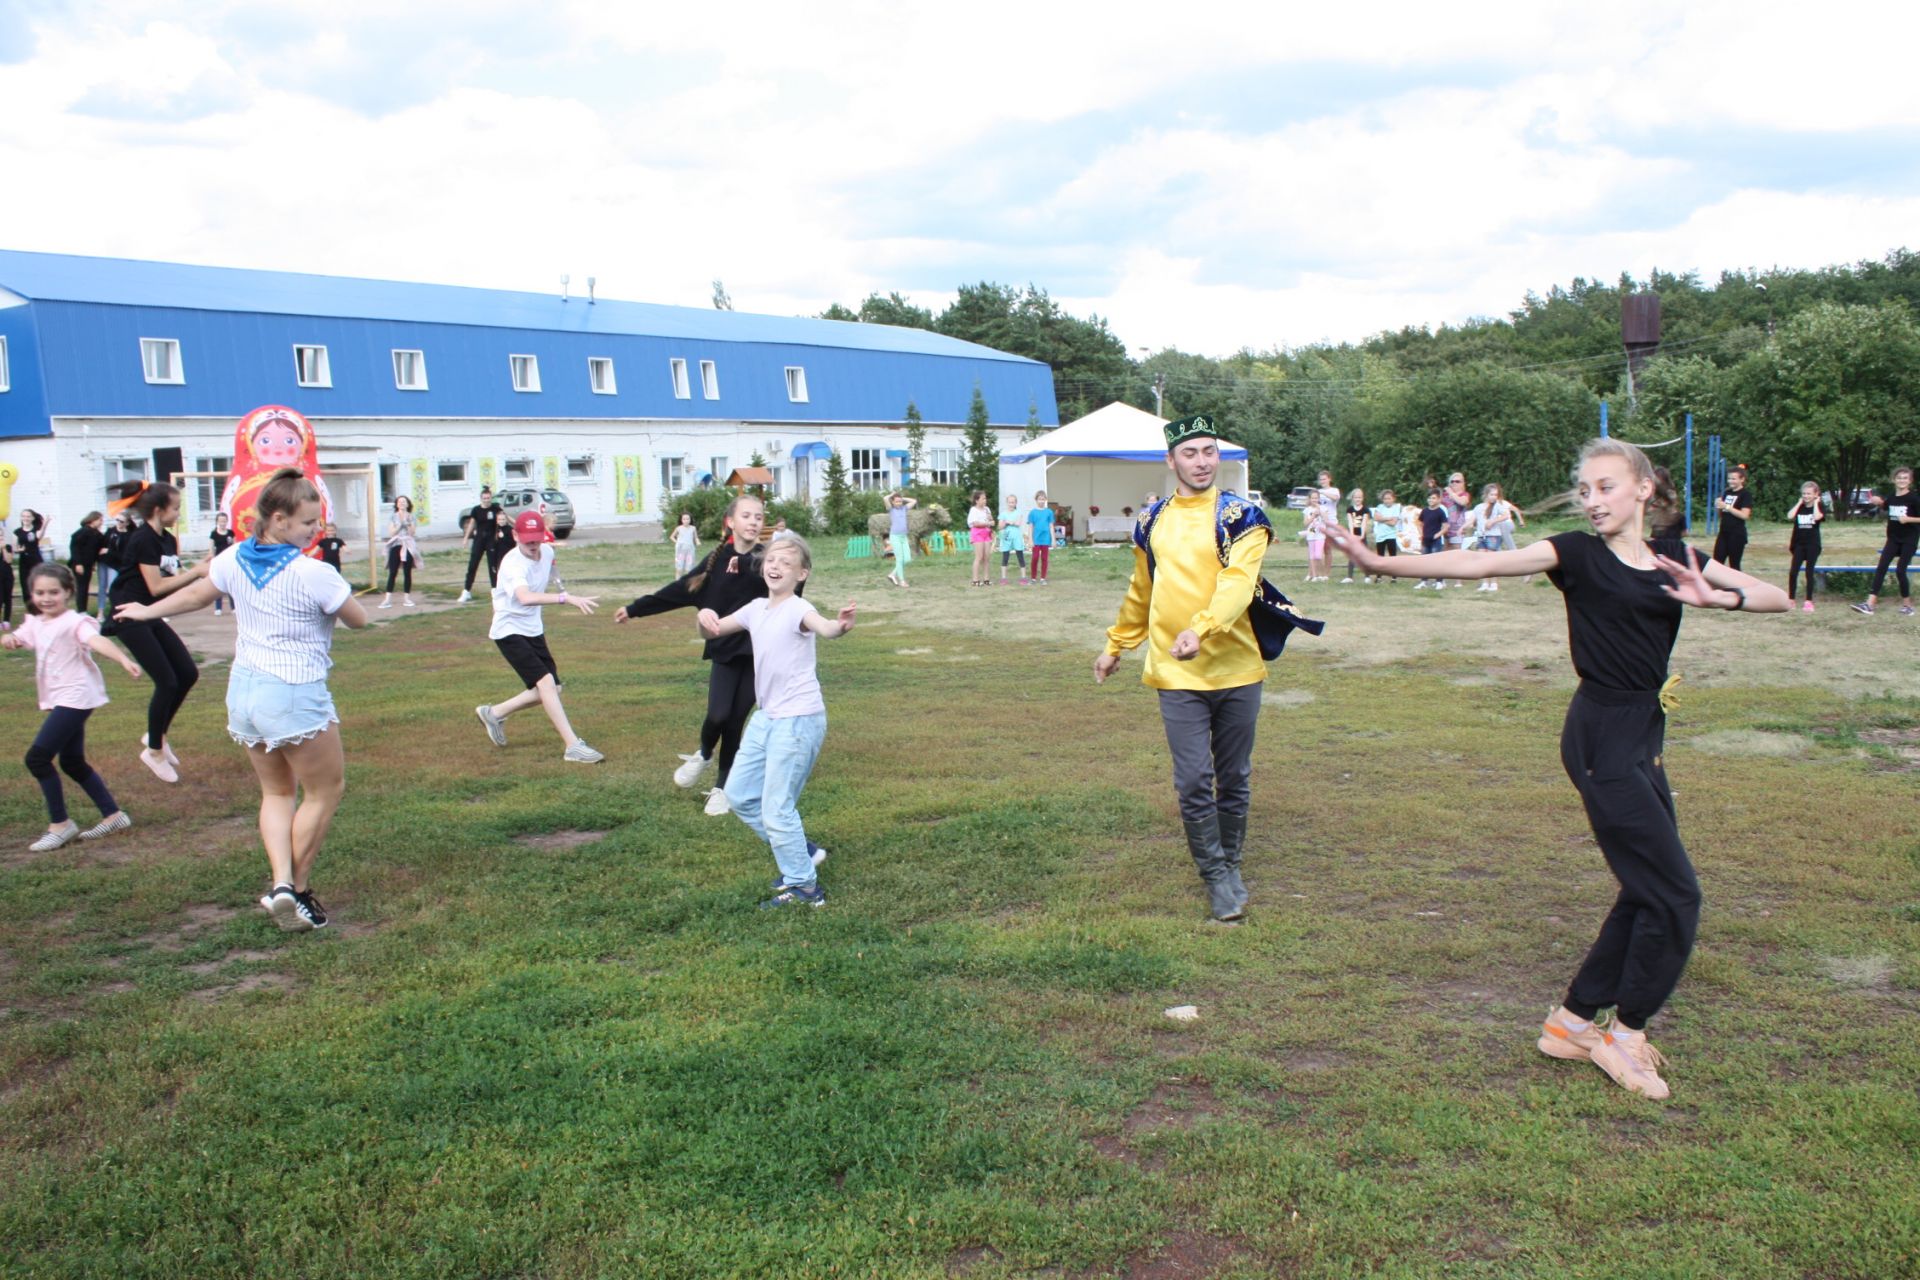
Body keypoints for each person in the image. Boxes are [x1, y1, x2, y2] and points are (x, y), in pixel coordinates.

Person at [1325, 438, 1789, 1099]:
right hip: (1600, 737)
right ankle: (1624, 1036)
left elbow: (1773, 595)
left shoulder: (1674, 558)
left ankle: (1572, 1022)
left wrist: (1719, 600)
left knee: (1646, 885)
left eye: (1605, 487)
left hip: (1643, 733)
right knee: (1677, 895)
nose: (1593, 500)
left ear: (1643, 491)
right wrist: (1381, 562)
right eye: (1586, 489)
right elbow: (1478, 560)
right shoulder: (1575, 552)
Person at [117, 469, 370, 931]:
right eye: (308, 522)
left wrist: (146, 610)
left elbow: (196, 594)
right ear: (277, 520)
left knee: (276, 792)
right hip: (293, 692)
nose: (316, 530)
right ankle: (298, 890)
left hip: (245, 694)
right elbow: (358, 620)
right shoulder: (314, 572)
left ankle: (280, 885)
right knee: (324, 790)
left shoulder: (235, 557)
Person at [1096, 414, 1274, 926]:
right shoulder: (1151, 521)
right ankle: (1215, 875)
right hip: (1175, 673)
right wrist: (1117, 646)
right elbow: (1142, 591)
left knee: (1234, 775)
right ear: (1170, 460)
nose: (1201, 462)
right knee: (1195, 777)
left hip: (1237, 667)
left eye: (1209, 452)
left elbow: (1239, 583)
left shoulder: (1244, 517)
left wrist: (1203, 628)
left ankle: (1232, 863)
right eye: (1190, 453)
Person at [699, 532, 855, 909]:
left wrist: (840, 626)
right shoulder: (756, 608)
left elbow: (824, 627)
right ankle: (803, 853)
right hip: (767, 717)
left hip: (798, 720)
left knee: (776, 807)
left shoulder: (798, 609)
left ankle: (805, 888)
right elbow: (714, 629)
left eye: (787, 563)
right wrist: (705, 619)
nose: (776, 566)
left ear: (801, 574)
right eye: (772, 559)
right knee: (738, 795)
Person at [617, 494, 770, 814]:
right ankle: (703, 753)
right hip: (725, 651)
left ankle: (722, 788)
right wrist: (634, 609)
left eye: (758, 517)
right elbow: (677, 591)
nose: (754, 522)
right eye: (747, 516)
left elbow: (789, 593)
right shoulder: (715, 562)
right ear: (730, 522)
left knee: (735, 721)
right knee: (717, 715)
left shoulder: (765, 560)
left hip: (760, 654)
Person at [4, 563, 141, 851]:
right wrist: (10, 639)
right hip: (58, 699)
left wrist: (122, 659)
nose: (46, 598)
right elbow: (21, 637)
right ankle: (114, 815)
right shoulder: (35, 622)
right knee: (71, 761)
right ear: (31, 593)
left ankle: (60, 825)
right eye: (40, 592)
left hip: (76, 697)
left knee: (37, 759)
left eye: (54, 592)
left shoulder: (76, 621)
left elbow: (96, 640)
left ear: (68, 592)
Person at [474, 511, 605, 764]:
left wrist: (562, 588)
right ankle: (572, 746)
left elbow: (552, 568)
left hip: (533, 627)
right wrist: (565, 598)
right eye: (527, 541)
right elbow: (524, 597)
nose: (534, 546)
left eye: (537, 539)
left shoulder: (547, 552)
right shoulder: (512, 564)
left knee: (553, 688)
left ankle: (494, 713)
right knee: (546, 684)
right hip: (508, 629)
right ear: (515, 536)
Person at [106, 482, 208, 783]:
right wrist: (195, 574)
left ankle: (157, 735)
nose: (178, 513)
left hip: (151, 613)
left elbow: (170, 579)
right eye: (175, 508)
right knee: (166, 681)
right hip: (129, 615)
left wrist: (196, 573)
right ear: (158, 510)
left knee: (187, 674)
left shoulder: (165, 540)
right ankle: (153, 750)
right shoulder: (142, 540)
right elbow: (156, 587)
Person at [1850, 465, 1917, 617]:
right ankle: (1869, 604)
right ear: (1894, 480)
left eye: (1905, 478)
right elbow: (1885, 504)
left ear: (1910, 481)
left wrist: (1908, 519)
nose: (1902, 480)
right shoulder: (1892, 497)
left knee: (1900, 570)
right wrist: (1878, 501)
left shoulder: (1913, 498)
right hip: (1893, 539)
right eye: (1899, 478)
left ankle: (1907, 606)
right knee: (1881, 568)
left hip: (1909, 540)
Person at [1785, 482, 1825, 613]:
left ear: (1815, 495)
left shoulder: (1818, 507)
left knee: (1809, 571)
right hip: (1798, 544)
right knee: (1793, 571)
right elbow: (1790, 516)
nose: (1806, 496)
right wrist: (1798, 503)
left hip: (1812, 544)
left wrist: (1816, 503)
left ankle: (1808, 600)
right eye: (1804, 493)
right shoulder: (1799, 507)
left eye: (1809, 494)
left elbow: (1817, 517)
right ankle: (1791, 599)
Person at [459, 486, 503, 603]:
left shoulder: (495, 508)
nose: (486, 500)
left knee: (492, 566)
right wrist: (466, 538)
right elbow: (471, 524)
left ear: (491, 498)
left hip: (491, 541)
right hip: (479, 540)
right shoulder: (476, 510)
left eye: (488, 498)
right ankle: (466, 591)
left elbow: (504, 519)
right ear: (481, 498)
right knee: (472, 565)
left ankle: (495, 590)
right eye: (484, 498)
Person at [379, 495, 420, 608]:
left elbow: (412, 533)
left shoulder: (411, 516)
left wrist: (407, 524)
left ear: (408, 504)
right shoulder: (393, 516)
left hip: (407, 545)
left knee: (407, 572)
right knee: (393, 572)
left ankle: (407, 598)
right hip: (396, 545)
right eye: (400, 501)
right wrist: (400, 525)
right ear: (396, 504)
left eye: (404, 501)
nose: (402, 503)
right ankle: (387, 599)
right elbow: (392, 533)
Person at [1711, 465, 1752, 571]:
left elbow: (1744, 515)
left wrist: (1727, 506)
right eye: (1729, 478)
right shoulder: (1726, 492)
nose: (1730, 481)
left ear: (1742, 479)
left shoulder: (1745, 494)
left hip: (1737, 534)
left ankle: (1736, 587)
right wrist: (1718, 506)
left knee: (1734, 565)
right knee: (1716, 562)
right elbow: (1722, 514)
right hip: (1724, 532)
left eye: (1734, 479)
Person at [68, 512, 106, 615]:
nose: (101, 522)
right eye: (100, 520)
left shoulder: (96, 533)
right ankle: (81, 611)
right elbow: (74, 547)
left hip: (88, 564)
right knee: (82, 587)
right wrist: (78, 563)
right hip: (80, 564)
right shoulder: (84, 531)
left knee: (85, 586)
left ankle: (83, 610)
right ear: (93, 520)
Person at [97, 512, 131, 621]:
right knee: (102, 586)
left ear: (127, 523)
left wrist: (109, 551)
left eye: (121, 521)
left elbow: (123, 555)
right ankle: (100, 612)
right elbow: (102, 545)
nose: (118, 523)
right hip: (103, 562)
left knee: (113, 587)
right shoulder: (110, 531)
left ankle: (116, 611)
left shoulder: (128, 536)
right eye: (117, 520)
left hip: (115, 564)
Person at [14, 508, 47, 613]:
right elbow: (15, 548)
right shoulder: (17, 532)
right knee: (25, 586)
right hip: (24, 562)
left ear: (32, 518)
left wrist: (46, 523)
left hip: (36, 561)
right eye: (23, 516)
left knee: (38, 583)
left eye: (28, 516)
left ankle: (41, 607)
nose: (25, 518)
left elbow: (40, 536)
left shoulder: (35, 530)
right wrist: (19, 550)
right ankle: (31, 609)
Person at [1414, 491, 1447, 590]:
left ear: (1438, 499)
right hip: (1425, 540)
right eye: (1429, 498)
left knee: (1436, 561)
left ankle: (1439, 582)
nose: (1431, 500)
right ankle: (1424, 581)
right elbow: (1419, 523)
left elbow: (1446, 526)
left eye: (1433, 498)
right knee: (1424, 561)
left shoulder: (1440, 512)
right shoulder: (1424, 511)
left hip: (1435, 541)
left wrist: (1437, 535)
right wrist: (1421, 534)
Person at [884, 491, 917, 588]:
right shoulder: (891, 509)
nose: (899, 503)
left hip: (903, 536)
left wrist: (903, 498)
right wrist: (891, 495)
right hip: (895, 537)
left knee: (907, 559)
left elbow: (914, 501)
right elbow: (885, 499)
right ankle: (902, 581)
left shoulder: (904, 508)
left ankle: (892, 574)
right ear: (893, 502)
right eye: (896, 502)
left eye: (900, 502)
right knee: (900, 559)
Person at [1368, 489, 1403, 577]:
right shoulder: (1379, 507)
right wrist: (1388, 518)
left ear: (1393, 499)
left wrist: (1382, 519)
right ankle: (1379, 576)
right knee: (1380, 557)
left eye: (1389, 498)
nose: (1386, 501)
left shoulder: (1396, 507)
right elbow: (1376, 518)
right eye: (1385, 499)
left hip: (1391, 535)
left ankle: (1394, 576)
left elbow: (1393, 523)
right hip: (1380, 536)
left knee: (1392, 556)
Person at [208, 511, 236, 615]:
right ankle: (218, 608)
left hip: (229, 562)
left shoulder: (230, 533)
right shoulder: (213, 534)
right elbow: (211, 548)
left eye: (224, 521)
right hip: (218, 563)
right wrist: (212, 559)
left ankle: (233, 607)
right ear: (217, 522)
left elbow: (234, 546)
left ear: (227, 521)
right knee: (218, 584)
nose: (222, 523)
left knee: (230, 585)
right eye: (220, 521)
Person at [1026, 491, 1056, 585]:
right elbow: (1030, 527)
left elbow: (1051, 526)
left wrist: (1054, 539)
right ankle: (1033, 578)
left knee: (1044, 558)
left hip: (1046, 539)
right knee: (1035, 558)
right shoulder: (1032, 513)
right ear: (1036, 500)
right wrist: (1030, 539)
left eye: (1043, 499)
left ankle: (1043, 578)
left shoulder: (1049, 512)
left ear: (1045, 500)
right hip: (1036, 539)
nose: (1041, 501)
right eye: (1039, 499)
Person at [998, 493, 1028, 584]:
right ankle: (1003, 578)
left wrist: (1007, 522)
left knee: (1020, 556)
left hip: (1017, 537)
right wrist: (1008, 522)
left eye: (1013, 502)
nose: (1011, 504)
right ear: (1007, 503)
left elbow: (1018, 523)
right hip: (1006, 537)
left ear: (1016, 503)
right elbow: (1000, 526)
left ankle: (1023, 577)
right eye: (1009, 502)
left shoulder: (1018, 512)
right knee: (1005, 557)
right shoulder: (1003, 514)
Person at [1340, 488, 1369, 583]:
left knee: (1364, 556)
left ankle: (1367, 576)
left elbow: (1364, 523)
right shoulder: (1350, 509)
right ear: (1353, 498)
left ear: (1363, 498)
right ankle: (1349, 577)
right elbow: (1350, 523)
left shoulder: (1365, 510)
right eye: (1356, 497)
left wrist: (1361, 536)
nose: (1358, 499)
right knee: (1352, 556)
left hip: (1362, 536)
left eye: (1360, 497)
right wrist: (1352, 536)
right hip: (1352, 536)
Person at [966, 490, 994, 587]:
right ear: (977, 500)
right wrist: (987, 523)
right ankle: (975, 580)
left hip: (987, 533)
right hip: (978, 533)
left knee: (986, 558)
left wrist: (991, 521)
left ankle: (986, 579)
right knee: (979, 557)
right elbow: (975, 523)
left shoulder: (987, 509)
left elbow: (991, 521)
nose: (985, 500)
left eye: (985, 498)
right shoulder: (973, 510)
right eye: (983, 499)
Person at [1302, 493, 1330, 583]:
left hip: (1320, 535)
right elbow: (1305, 523)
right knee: (1312, 556)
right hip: (1311, 534)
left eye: (1316, 498)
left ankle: (1322, 574)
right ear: (1310, 499)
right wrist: (1313, 516)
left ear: (1319, 499)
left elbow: (1326, 521)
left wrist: (1320, 510)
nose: (1314, 500)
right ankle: (1314, 575)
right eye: (1313, 498)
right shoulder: (1307, 510)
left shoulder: (1323, 508)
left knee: (1318, 555)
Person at [670, 511, 701, 577]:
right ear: (681, 520)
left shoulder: (693, 528)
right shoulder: (678, 528)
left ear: (690, 519)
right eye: (684, 519)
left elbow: (696, 538)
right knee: (679, 568)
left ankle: (686, 584)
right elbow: (672, 537)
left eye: (687, 519)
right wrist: (677, 542)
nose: (686, 520)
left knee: (689, 568)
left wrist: (697, 541)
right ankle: (677, 583)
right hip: (680, 551)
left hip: (690, 550)